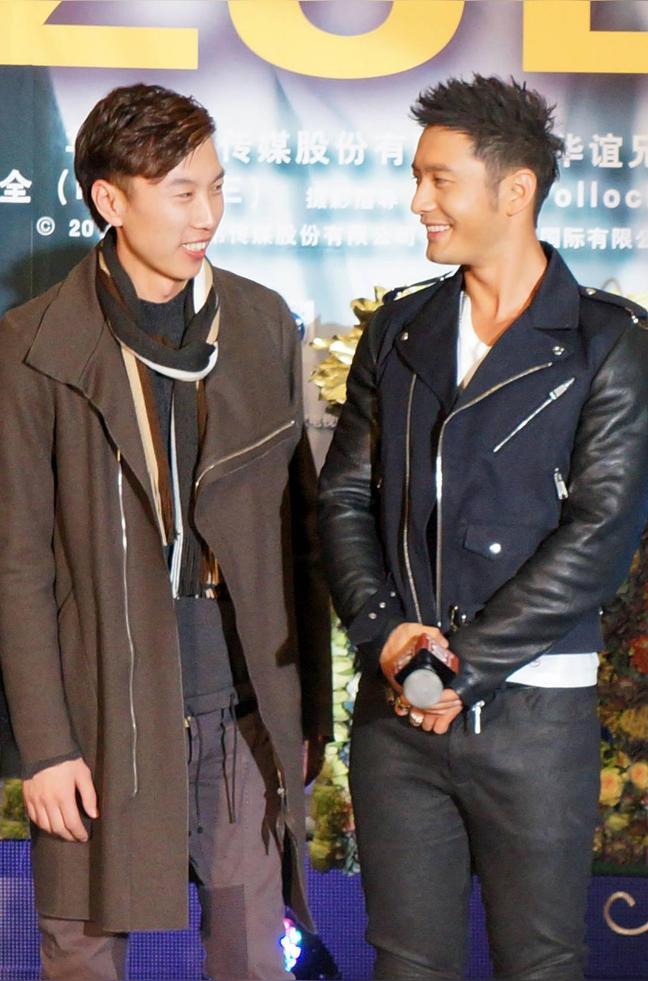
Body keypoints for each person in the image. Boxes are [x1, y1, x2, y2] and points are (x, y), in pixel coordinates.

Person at [318, 74, 648, 981]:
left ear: (516, 190)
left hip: (534, 714)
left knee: (540, 962)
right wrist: (389, 640)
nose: (418, 202)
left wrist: (458, 669)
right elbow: (343, 499)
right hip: (399, 707)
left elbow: (600, 537)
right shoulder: (400, 330)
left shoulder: (608, 342)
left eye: (440, 180)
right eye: (416, 178)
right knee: (406, 963)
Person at [0, 82, 331, 981]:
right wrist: (46, 746)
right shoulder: (34, 345)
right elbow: (17, 564)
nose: (207, 215)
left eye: (216, 188)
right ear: (111, 200)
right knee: (81, 954)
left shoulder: (260, 323)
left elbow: (299, 533)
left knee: (253, 953)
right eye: (182, 192)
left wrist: (304, 711)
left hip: (239, 703)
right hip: (99, 705)